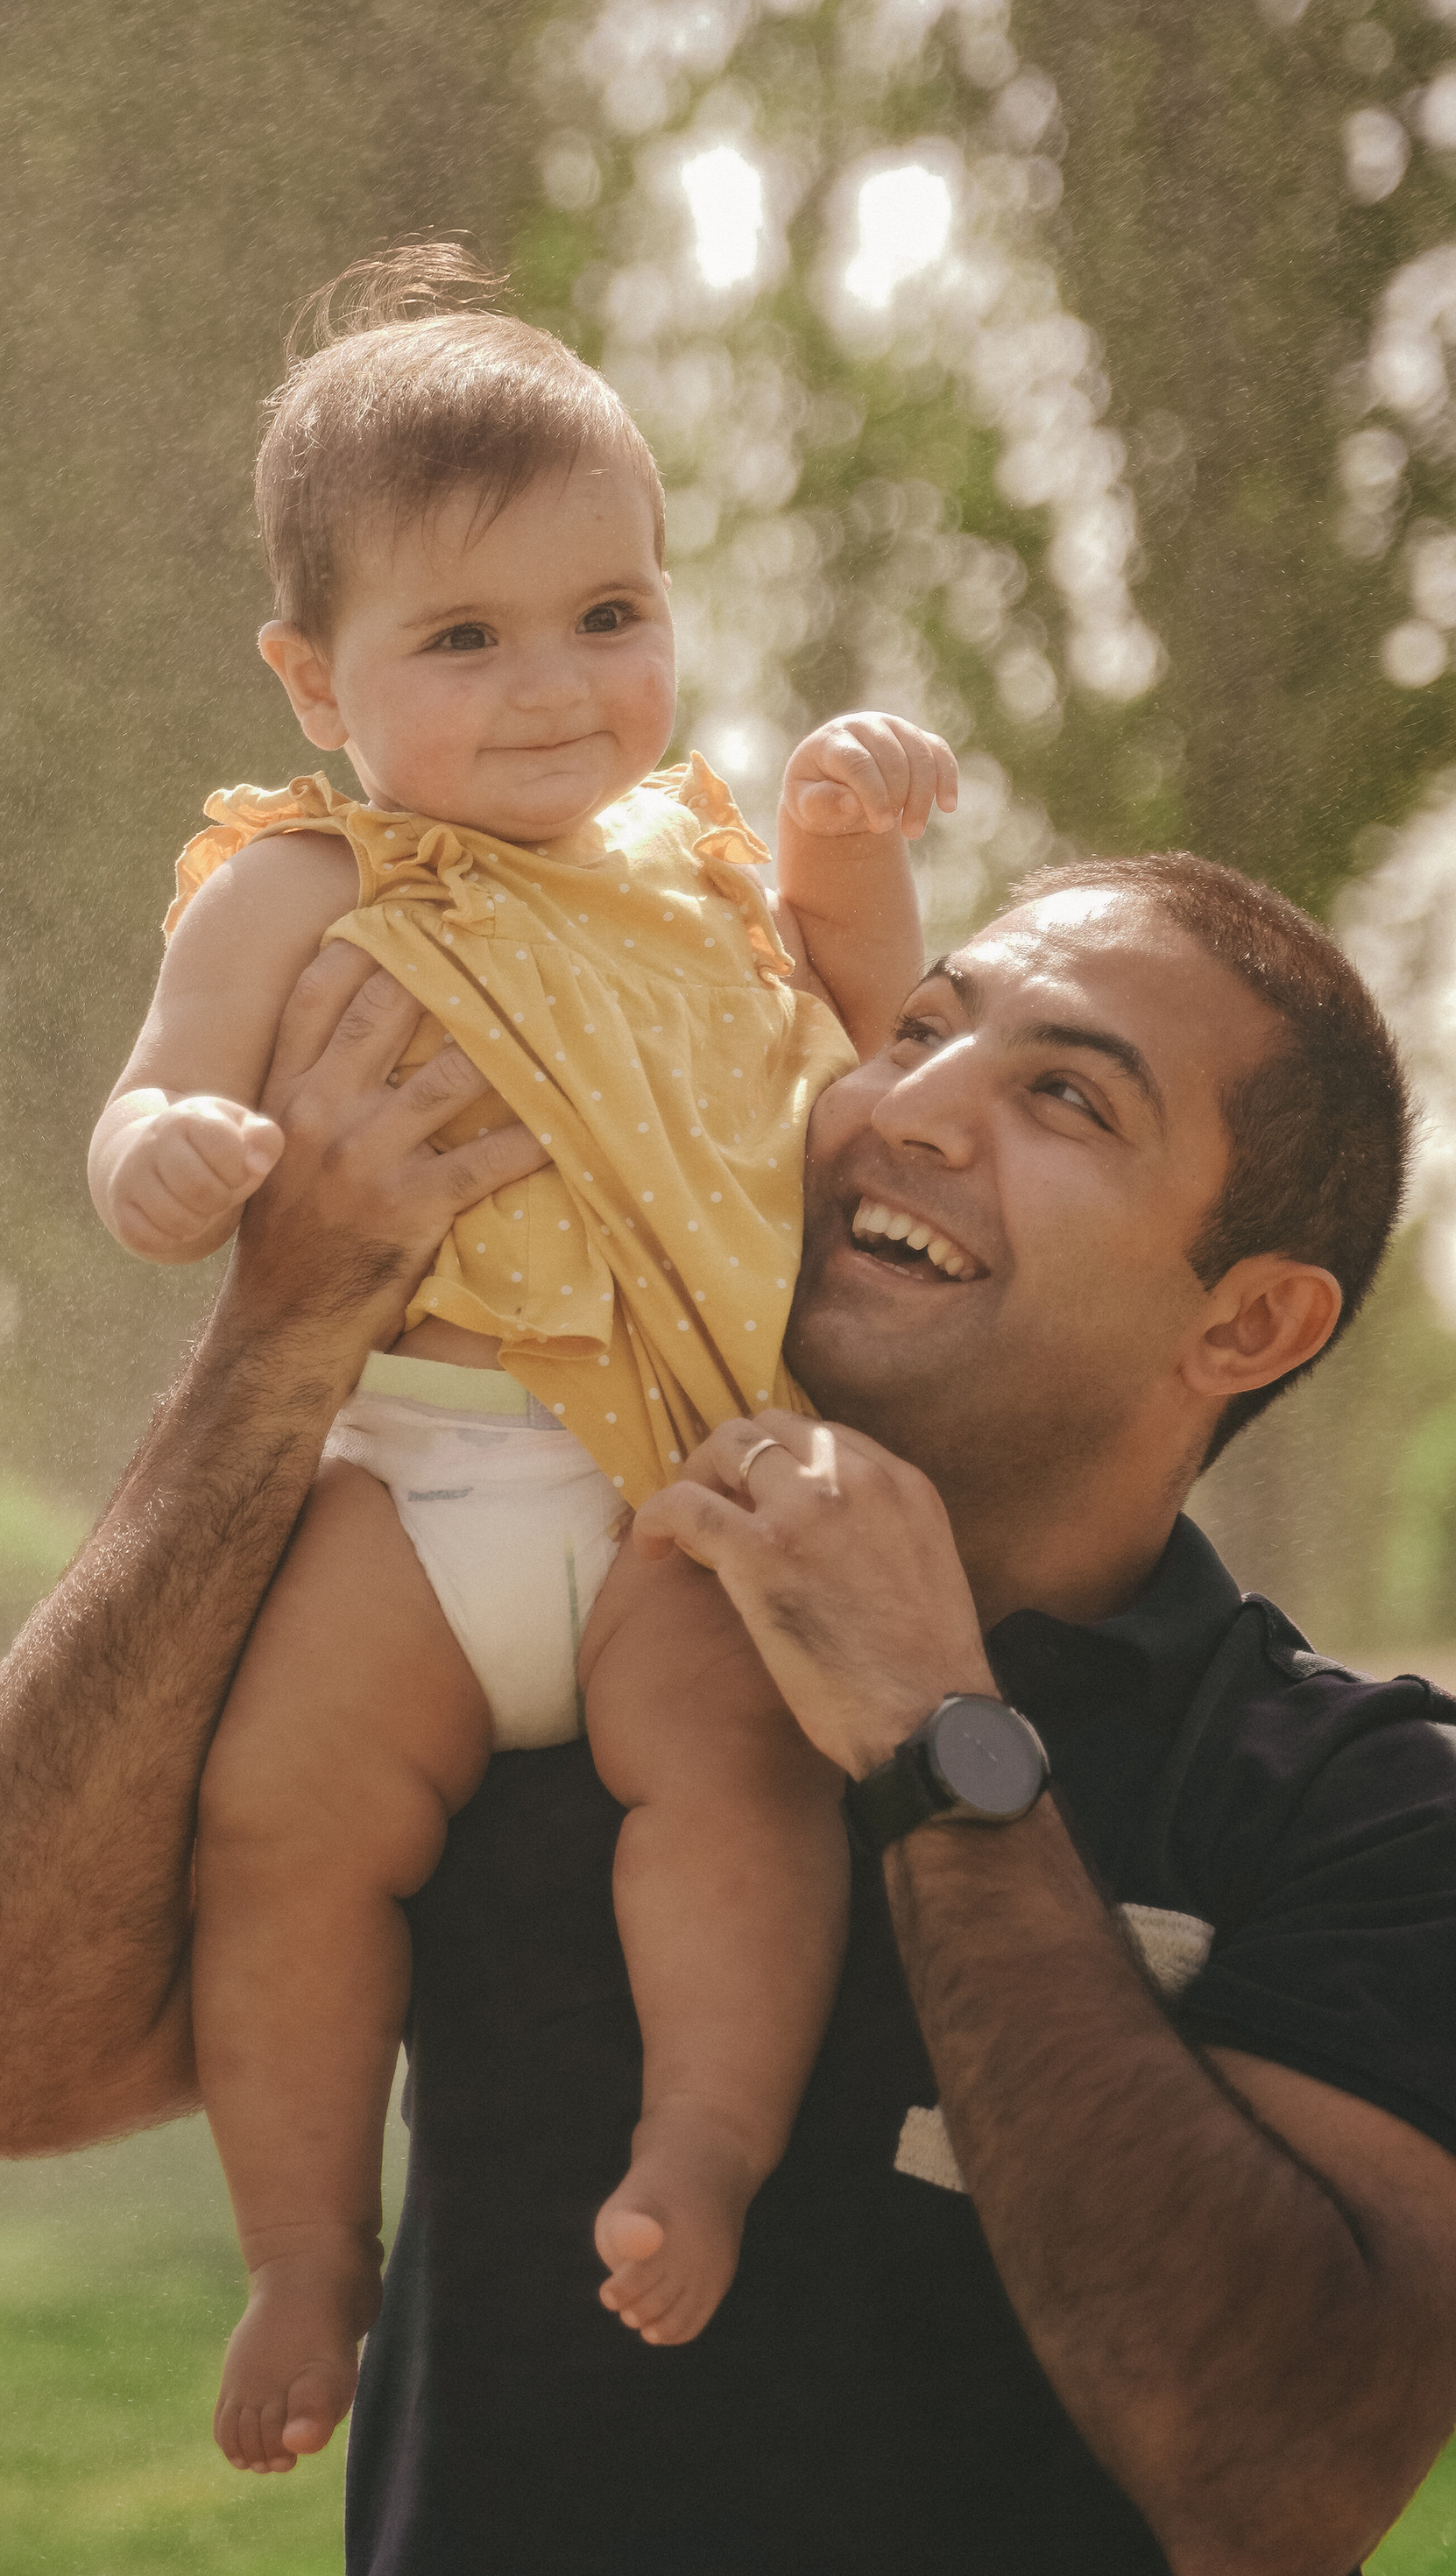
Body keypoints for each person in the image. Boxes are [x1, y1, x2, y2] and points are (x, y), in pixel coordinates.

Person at [0, 853, 1456, 2574]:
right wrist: (280, 1339)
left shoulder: (1378, 1809)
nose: (907, 1108)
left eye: (1064, 1096)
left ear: (1249, 1320)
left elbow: (1280, 2485)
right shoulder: (543, 1638)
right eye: (917, 1032)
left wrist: (932, 1733)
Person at [86, 246, 958, 2464]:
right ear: (313, 680)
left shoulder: (696, 863)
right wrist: (166, 1150)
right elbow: (154, 1076)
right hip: (417, 1485)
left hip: (678, 1488)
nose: (555, 686)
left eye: (607, 614)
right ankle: (305, 2251)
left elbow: (862, 1017)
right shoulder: (301, 881)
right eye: (461, 639)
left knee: (734, 1787)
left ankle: (702, 2150)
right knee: (278, 1833)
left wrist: (845, 843)